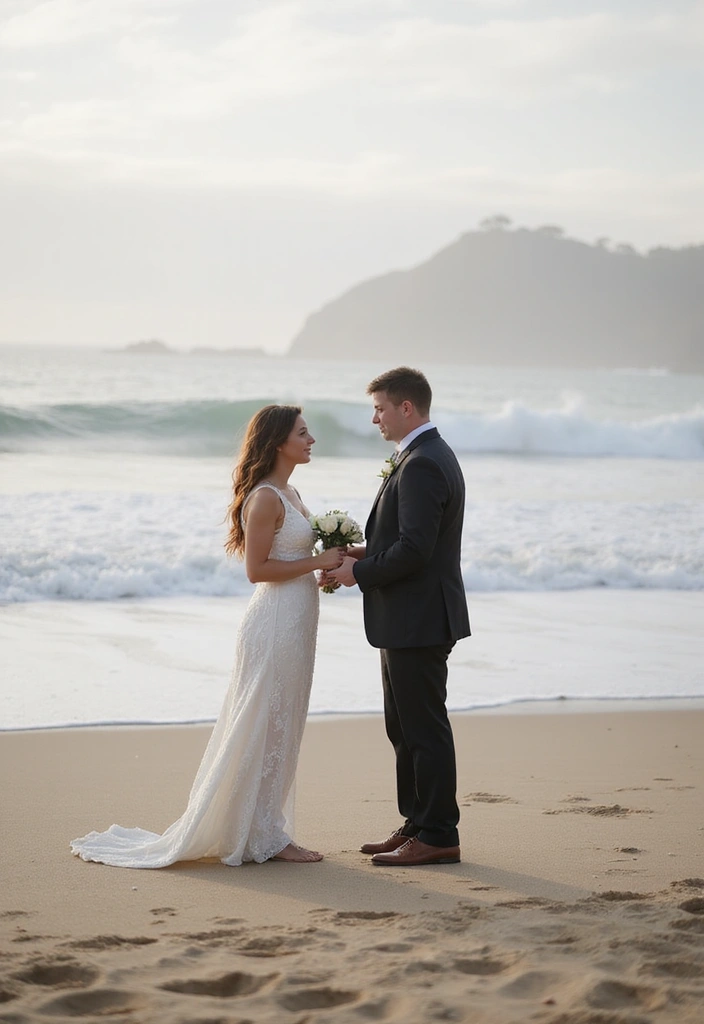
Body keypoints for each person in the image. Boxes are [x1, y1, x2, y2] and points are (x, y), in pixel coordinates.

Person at [71, 405, 344, 867]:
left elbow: (294, 554)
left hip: (298, 619)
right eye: (303, 432)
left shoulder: (292, 491)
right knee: (264, 723)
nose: (312, 438)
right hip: (274, 621)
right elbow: (257, 571)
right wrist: (318, 563)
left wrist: (336, 562)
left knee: (284, 724)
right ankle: (264, 836)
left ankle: (265, 829)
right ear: (279, 442)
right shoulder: (265, 499)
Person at [328, 367, 470, 866]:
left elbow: (414, 550)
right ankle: (416, 823)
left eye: (380, 408)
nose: (374, 419)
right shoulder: (421, 455)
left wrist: (357, 573)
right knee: (403, 727)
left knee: (423, 729)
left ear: (405, 408)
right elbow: (409, 544)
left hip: (420, 618)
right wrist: (358, 554)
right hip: (411, 615)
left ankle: (437, 833)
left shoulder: (424, 463)